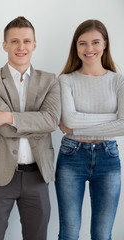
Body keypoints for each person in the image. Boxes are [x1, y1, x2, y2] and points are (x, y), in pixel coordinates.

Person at [0, 16, 61, 240]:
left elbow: (51, 121)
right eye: (14, 41)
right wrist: (35, 121)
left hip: (37, 174)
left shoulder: (50, 80)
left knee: (37, 236)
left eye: (26, 41)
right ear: (5, 45)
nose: (21, 47)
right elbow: (1, 128)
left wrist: (6, 116)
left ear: (34, 44)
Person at [55, 19, 123, 240]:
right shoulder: (65, 80)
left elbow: (73, 124)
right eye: (82, 43)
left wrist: (74, 129)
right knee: (69, 233)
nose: (89, 49)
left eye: (95, 42)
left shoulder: (118, 81)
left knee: (103, 235)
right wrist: (113, 118)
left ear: (105, 44)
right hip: (71, 156)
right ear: (76, 47)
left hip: (108, 157)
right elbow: (69, 118)